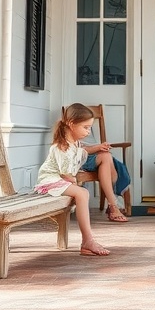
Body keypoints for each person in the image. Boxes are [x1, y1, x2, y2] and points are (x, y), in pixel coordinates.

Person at [34, 103, 116, 255]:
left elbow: (82, 151)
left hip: (60, 181)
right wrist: (75, 183)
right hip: (50, 181)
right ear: (72, 124)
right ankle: (87, 240)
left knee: (81, 193)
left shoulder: (74, 143)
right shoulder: (62, 147)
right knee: (82, 193)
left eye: (90, 127)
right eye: (85, 127)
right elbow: (66, 174)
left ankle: (87, 241)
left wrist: (98, 147)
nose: (88, 131)